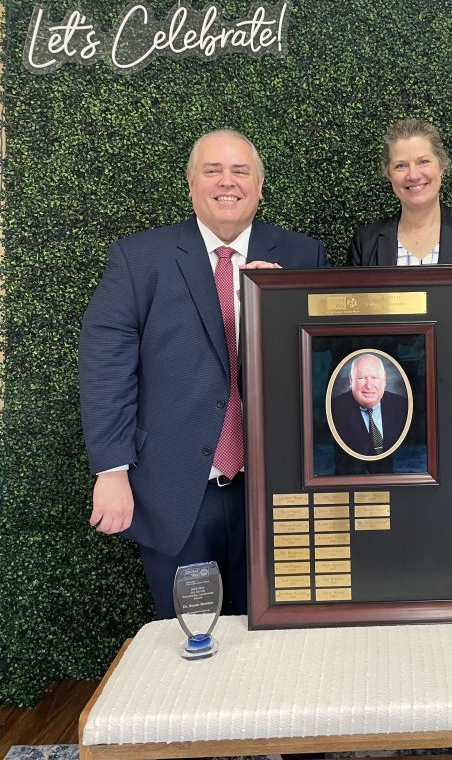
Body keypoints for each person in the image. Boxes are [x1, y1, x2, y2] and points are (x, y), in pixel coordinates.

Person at [79, 129, 329, 618]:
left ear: (260, 185)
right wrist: (110, 470)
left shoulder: (302, 256)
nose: (226, 182)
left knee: (273, 641)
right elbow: (106, 364)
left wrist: (278, 303)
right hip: (173, 490)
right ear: (191, 184)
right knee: (189, 640)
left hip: (275, 490)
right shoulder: (139, 259)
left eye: (240, 171)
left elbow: (322, 365)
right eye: (212, 171)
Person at [347, 118, 452, 282]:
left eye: (423, 162)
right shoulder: (365, 242)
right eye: (401, 165)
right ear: (389, 174)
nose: (413, 175)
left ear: (441, 165)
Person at [330, 353, 409, 457]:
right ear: (351, 380)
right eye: (361, 378)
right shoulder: (334, 409)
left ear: (384, 380)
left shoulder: (402, 405)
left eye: (374, 378)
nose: (369, 386)